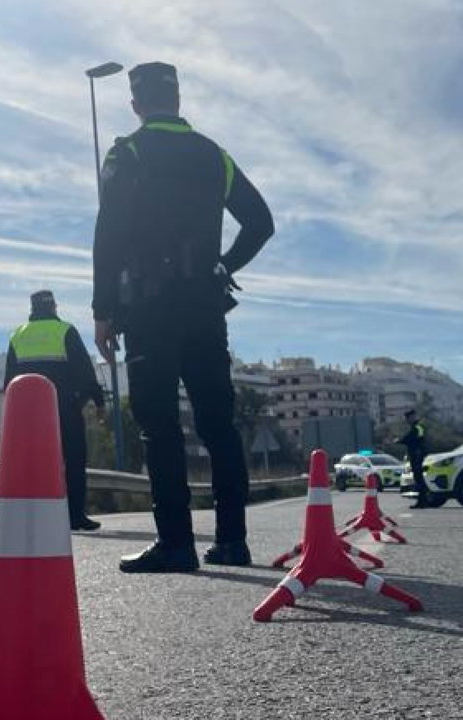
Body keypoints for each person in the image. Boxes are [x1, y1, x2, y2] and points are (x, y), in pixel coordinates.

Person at [93, 61, 274, 573]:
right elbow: (261, 223)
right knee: (218, 423)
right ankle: (233, 542)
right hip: (204, 306)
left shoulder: (126, 152)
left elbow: (108, 234)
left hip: (149, 307)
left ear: (136, 105)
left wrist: (102, 309)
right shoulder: (214, 155)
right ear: (177, 101)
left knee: (160, 424)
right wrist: (223, 265)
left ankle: (176, 544)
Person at [5, 290, 106, 531]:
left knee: (33, 463)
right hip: (65, 408)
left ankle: (35, 517)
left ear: (32, 309)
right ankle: (75, 517)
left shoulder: (18, 335)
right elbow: (84, 370)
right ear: (53, 307)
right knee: (74, 461)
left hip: (29, 414)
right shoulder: (65, 331)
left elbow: (9, 381)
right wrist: (98, 402)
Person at [395, 409, 428, 508]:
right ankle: (422, 501)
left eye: (409, 418)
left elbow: (413, 438)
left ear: (412, 417)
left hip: (417, 456)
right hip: (416, 455)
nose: (408, 420)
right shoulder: (415, 427)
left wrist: (400, 441)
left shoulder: (418, 427)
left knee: (419, 479)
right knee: (418, 479)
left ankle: (422, 502)